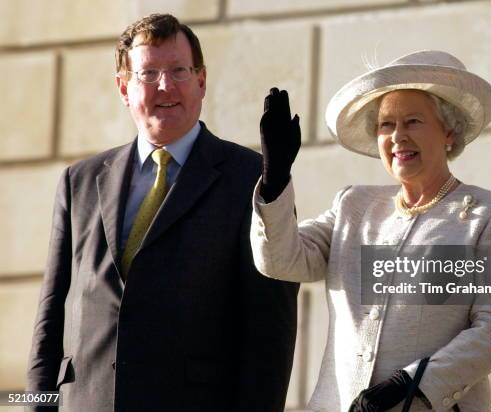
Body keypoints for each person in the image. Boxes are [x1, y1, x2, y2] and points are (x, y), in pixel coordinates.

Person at [26, 13, 298, 412]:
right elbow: (50, 323)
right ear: (123, 87)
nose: (165, 85)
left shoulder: (251, 180)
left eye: (179, 71)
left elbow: (269, 337)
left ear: (201, 80)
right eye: (148, 73)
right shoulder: (79, 181)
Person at [252, 50, 491, 411]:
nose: (397, 137)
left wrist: (411, 383)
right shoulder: (354, 206)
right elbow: (282, 260)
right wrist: (275, 178)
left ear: (448, 131)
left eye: (412, 121)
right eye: (386, 125)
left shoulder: (488, 216)